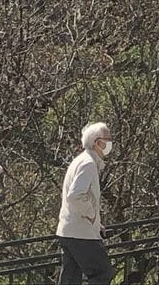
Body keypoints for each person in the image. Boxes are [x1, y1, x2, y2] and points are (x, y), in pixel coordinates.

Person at [57, 122, 114, 285]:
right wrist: (92, 215)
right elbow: (76, 195)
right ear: (97, 142)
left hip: (68, 231)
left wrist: (97, 222)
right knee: (102, 273)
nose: (110, 143)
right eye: (107, 139)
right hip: (81, 233)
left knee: (70, 278)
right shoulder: (88, 164)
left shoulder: (81, 160)